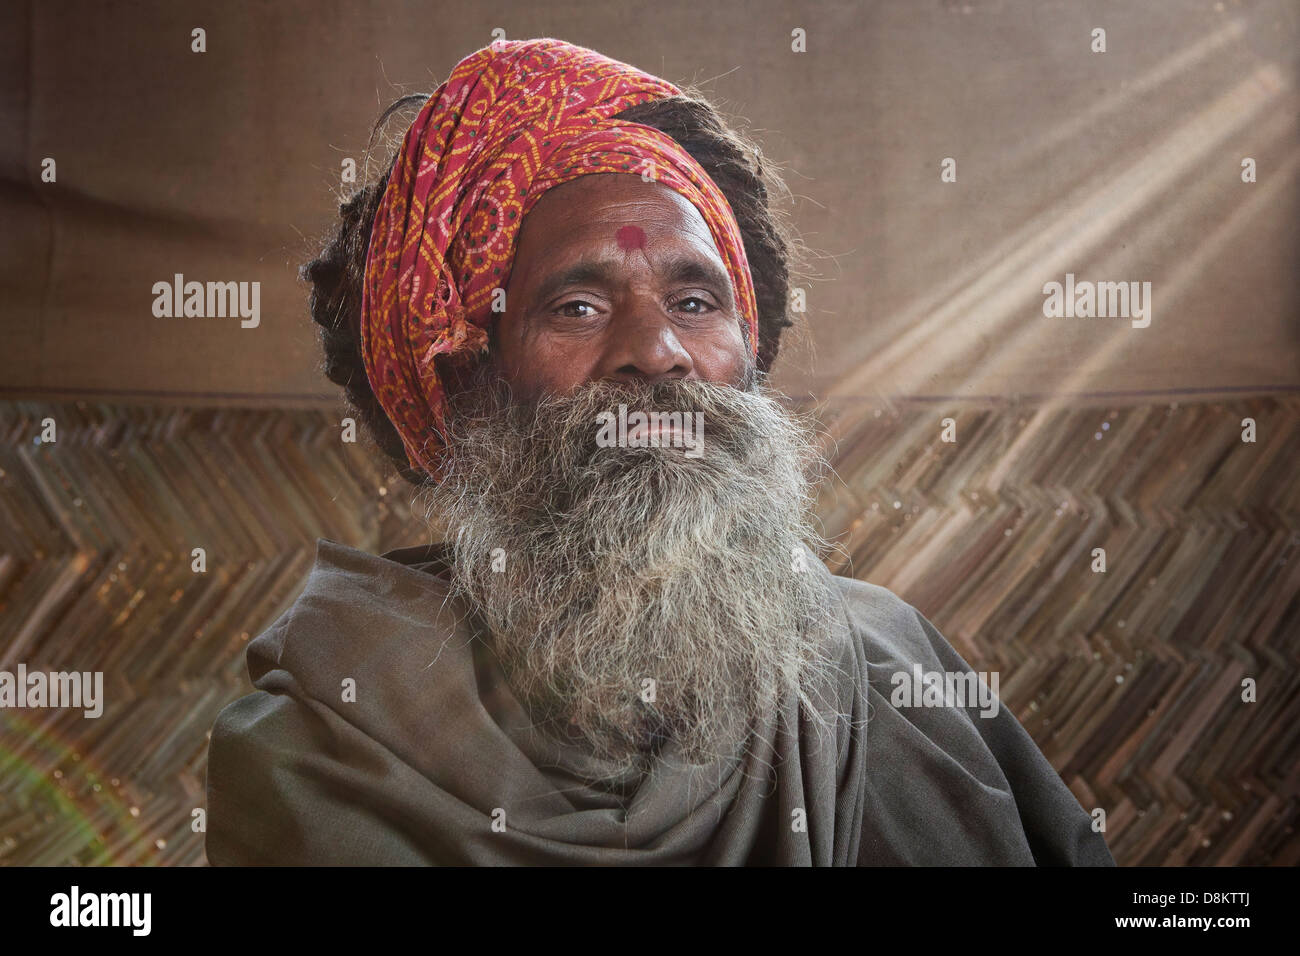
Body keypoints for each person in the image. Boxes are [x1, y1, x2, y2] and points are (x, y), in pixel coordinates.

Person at [204, 36, 1115, 866]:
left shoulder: (886, 665)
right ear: (472, 384)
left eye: (694, 302)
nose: (659, 351)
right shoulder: (330, 739)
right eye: (578, 307)